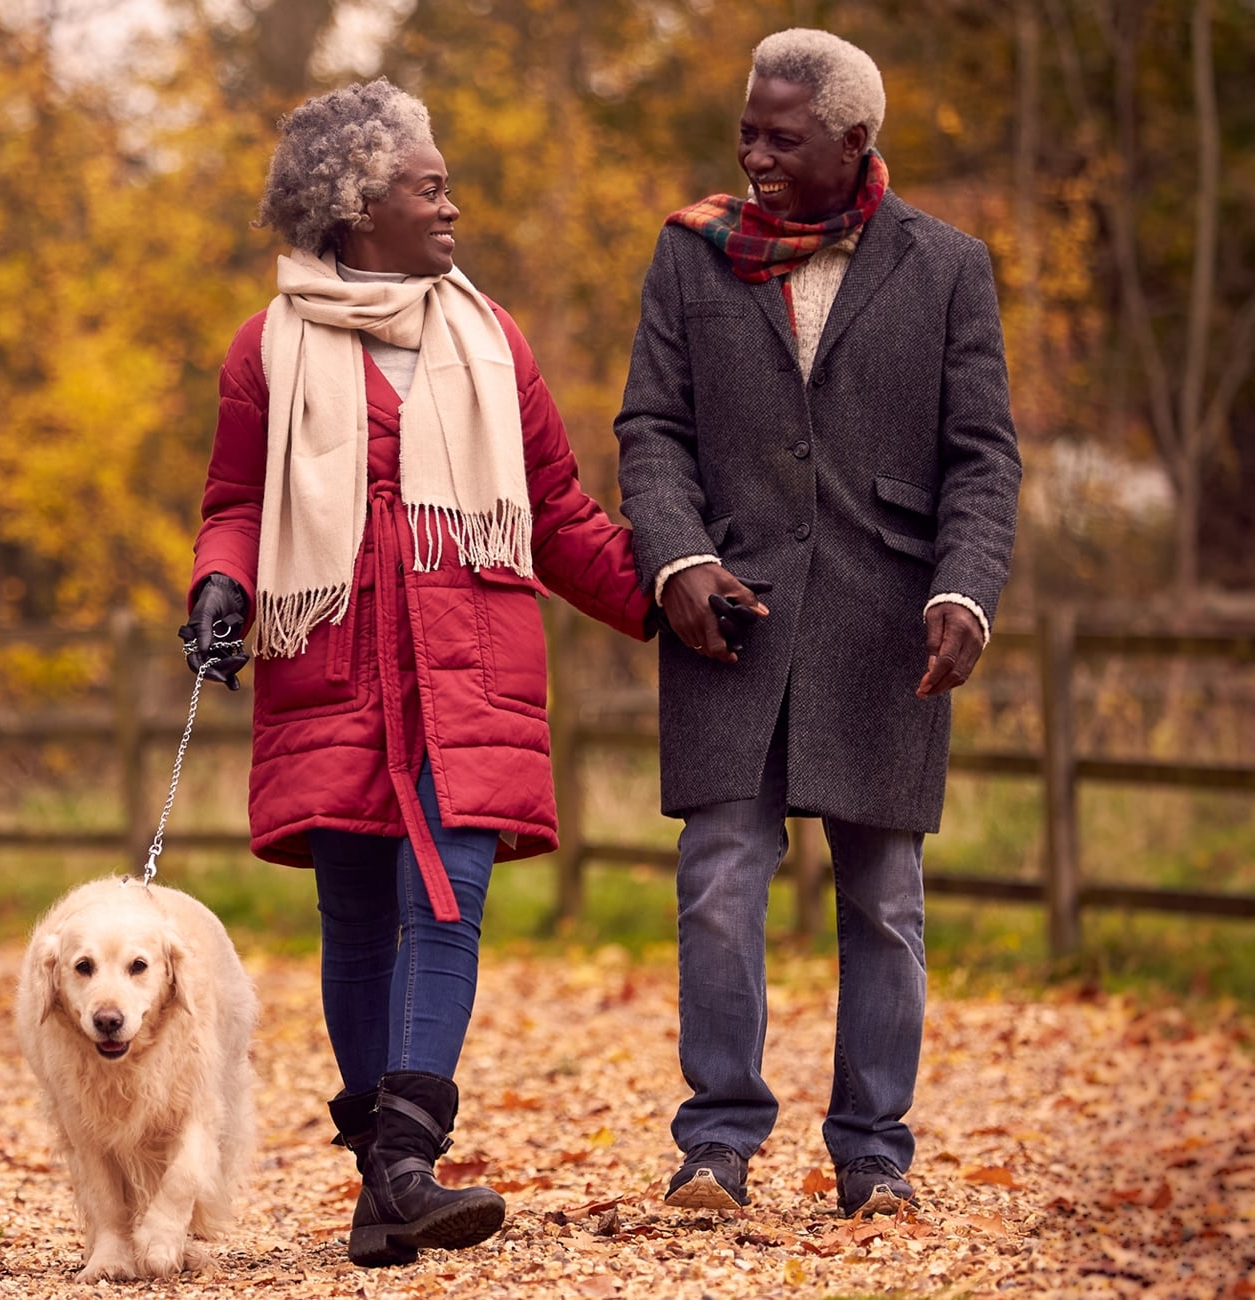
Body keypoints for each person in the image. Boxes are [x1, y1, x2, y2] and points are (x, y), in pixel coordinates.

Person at [181, 81, 652, 1268]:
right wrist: (219, 585)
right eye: (427, 186)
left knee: (447, 900)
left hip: (464, 668)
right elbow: (236, 503)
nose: (453, 205)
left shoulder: (491, 339)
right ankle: (392, 1187)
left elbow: (552, 511)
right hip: (331, 662)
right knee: (356, 917)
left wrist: (662, 598)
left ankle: (405, 1159)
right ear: (353, 208)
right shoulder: (268, 348)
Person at [616, 28, 1020, 1220]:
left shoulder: (949, 267)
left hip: (886, 625)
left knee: (886, 902)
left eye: (781, 136)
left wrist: (966, 592)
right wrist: (676, 555)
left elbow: (983, 459)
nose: (753, 153)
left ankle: (874, 1154)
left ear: (854, 141)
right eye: (748, 127)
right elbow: (650, 428)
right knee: (719, 881)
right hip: (727, 612)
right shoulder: (691, 255)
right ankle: (717, 1147)